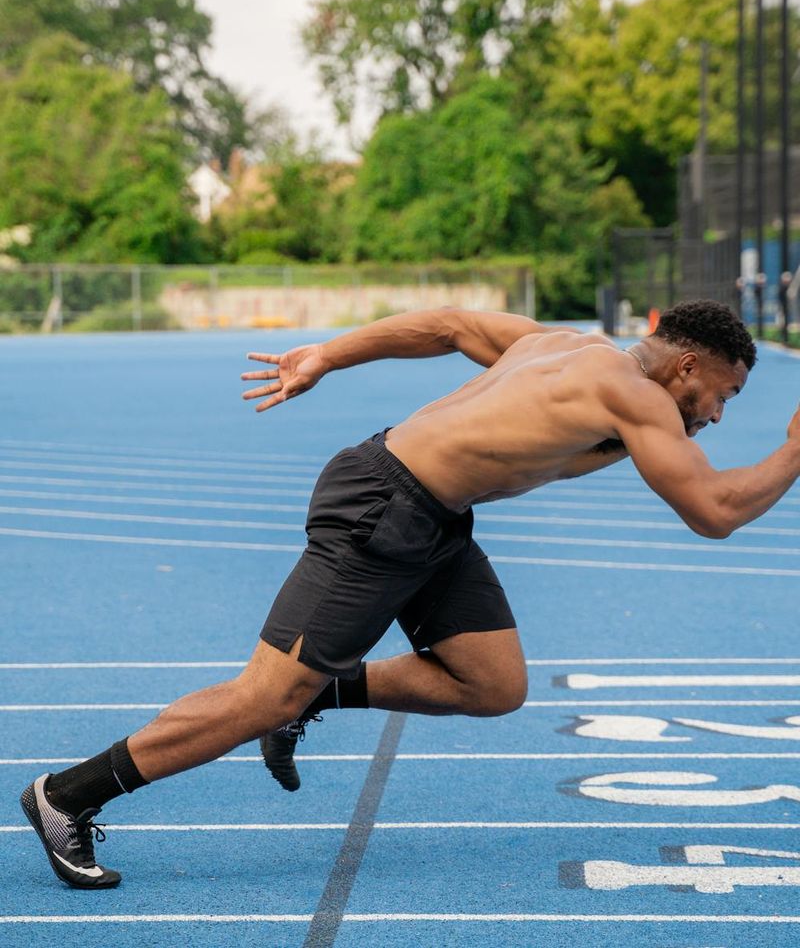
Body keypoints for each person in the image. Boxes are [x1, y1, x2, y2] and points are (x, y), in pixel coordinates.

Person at [21, 300, 798, 889]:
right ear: (687, 366)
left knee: (492, 685)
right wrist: (794, 452)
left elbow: (448, 325)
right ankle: (67, 794)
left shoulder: (563, 344)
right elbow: (715, 512)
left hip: (432, 517)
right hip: (382, 509)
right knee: (262, 695)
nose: (719, 415)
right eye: (722, 395)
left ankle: (316, 694)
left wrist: (328, 353)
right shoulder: (637, 398)